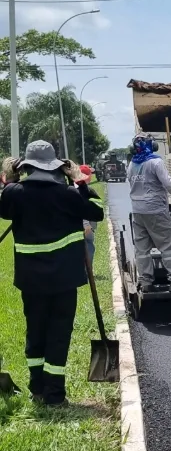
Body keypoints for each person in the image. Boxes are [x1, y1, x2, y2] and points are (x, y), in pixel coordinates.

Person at [0, 140, 105, 406]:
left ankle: (37, 388)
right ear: (57, 166)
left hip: (30, 279)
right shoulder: (68, 194)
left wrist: (10, 179)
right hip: (64, 279)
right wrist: (80, 181)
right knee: (58, 333)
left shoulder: (15, 193)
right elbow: (97, 212)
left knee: (35, 331)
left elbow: (4, 208)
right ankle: (55, 395)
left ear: (26, 166)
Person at [126, 135, 171, 294]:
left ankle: (146, 283)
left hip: (138, 213)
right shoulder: (155, 162)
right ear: (150, 145)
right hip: (156, 211)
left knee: (142, 249)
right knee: (169, 246)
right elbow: (170, 185)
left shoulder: (132, 164)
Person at [80, 165, 97, 263]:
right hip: (86, 226)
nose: (91, 176)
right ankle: (87, 271)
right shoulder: (85, 191)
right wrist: (86, 224)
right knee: (89, 247)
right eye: (90, 174)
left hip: (85, 225)